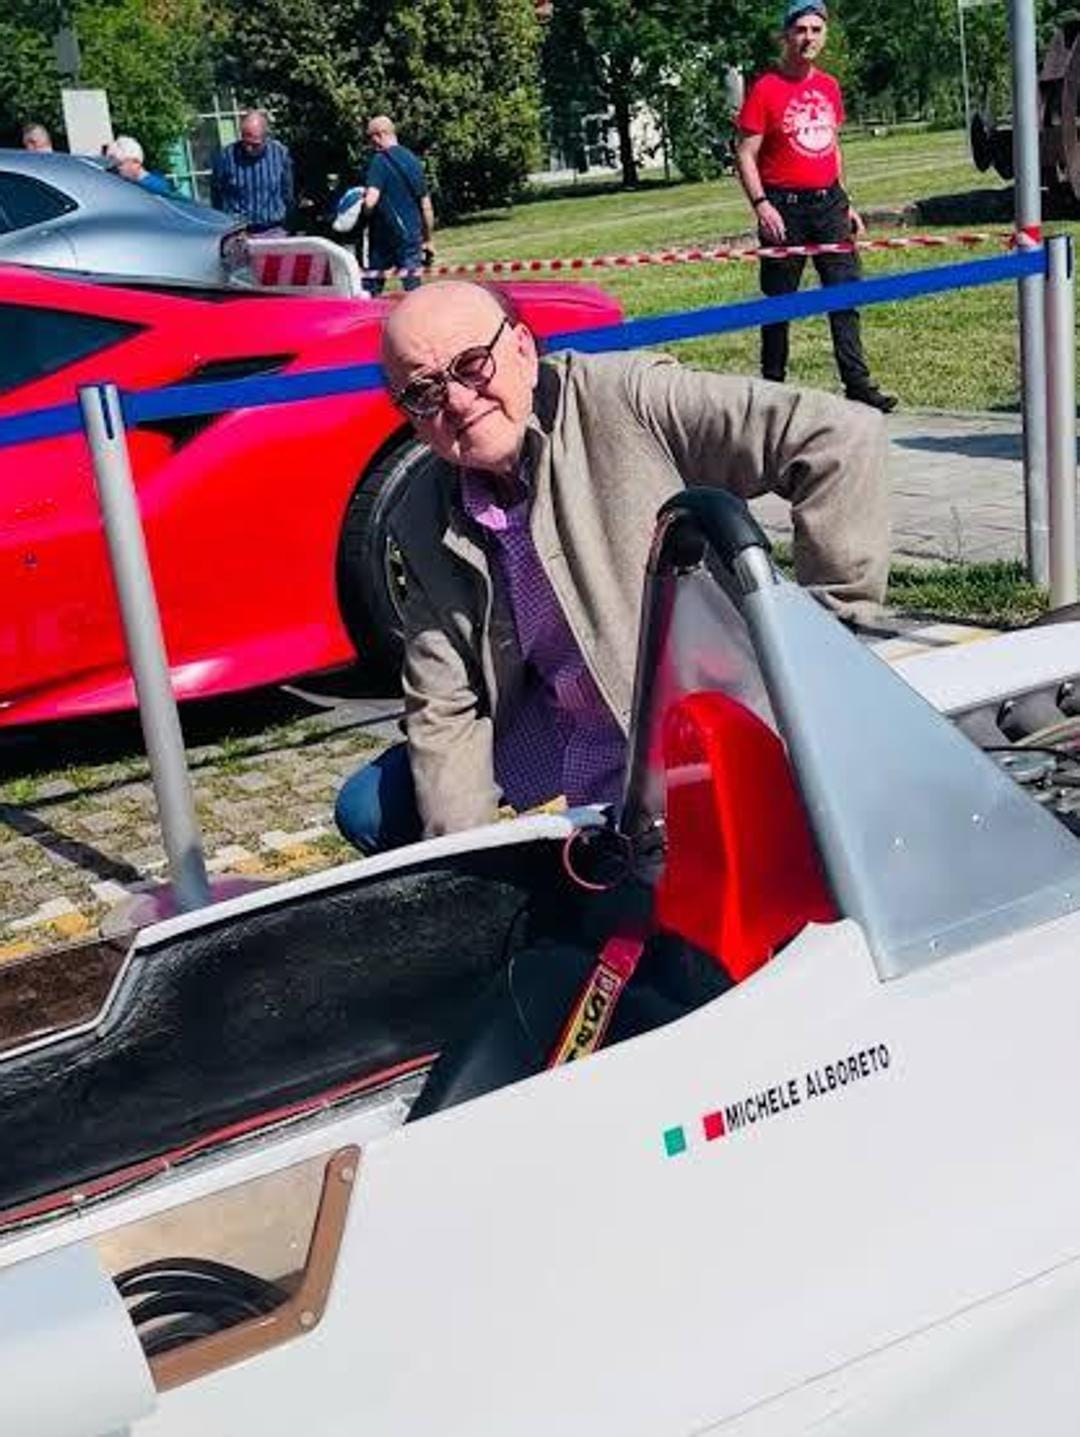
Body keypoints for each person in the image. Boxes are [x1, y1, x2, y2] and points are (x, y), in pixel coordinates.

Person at [334, 280, 889, 854]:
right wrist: (469, 862)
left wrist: (825, 656)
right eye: (424, 392)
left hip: (697, 709)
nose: (456, 400)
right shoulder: (420, 514)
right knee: (372, 806)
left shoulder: (630, 399)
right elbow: (443, 702)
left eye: (472, 366)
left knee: (688, 872)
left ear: (522, 349)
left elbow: (838, 437)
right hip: (560, 715)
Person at [735, 0, 896, 413]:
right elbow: (745, 154)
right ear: (786, 35)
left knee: (844, 295)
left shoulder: (828, 86)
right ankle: (772, 388)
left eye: (816, 30)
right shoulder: (766, 88)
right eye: (801, 29)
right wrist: (761, 205)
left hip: (829, 205)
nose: (809, 38)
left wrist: (846, 202)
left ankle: (857, 384)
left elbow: (831, 146)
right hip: (783, 208)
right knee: (779, 302)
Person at [356, 115, 435, 295]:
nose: (370, 144)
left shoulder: (379, 161)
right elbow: (426, 205)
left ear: (379, 135)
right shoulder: (413, 160)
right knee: (414, 290)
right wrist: (428, 239)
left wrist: (361, 210)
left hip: (383, 239)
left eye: (369, 138)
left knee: (371, 290)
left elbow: (370, 201)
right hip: (411, 237)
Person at [211, 109, 293, 234]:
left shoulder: (280, 154)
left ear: (266, 137)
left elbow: (287, 192)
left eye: (255, 144)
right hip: (237, 230)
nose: (249, 149)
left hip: (273, 229)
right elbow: (216, 192)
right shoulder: (226, 157)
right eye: (246, 142)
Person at [104, 136, 174, 196]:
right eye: (114, 166)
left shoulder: (157, 188)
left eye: (120, 164)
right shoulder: (128, 183)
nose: (117, 169)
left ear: (136, 162)